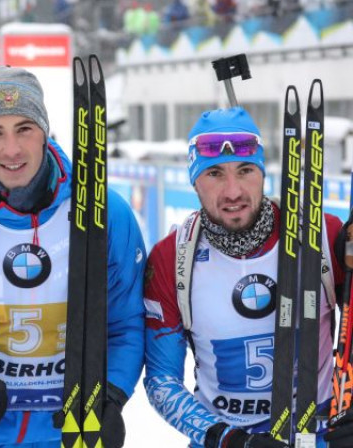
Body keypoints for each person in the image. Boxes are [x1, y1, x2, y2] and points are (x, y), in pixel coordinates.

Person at [0, 66, 146, 447]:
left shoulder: (103, 211)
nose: (12, 150)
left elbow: (126, 324)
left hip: (74, 430)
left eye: (24, 129)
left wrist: (112, 394)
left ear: (45, 132)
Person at [143, 106, 353, 447]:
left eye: (244, 170)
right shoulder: (173, 257)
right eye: (214, 174)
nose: (233, 192)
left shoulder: (320, 235)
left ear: (262, 173)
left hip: (317, 434)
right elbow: (161, 380)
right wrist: (230, 439)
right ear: (193, 179)